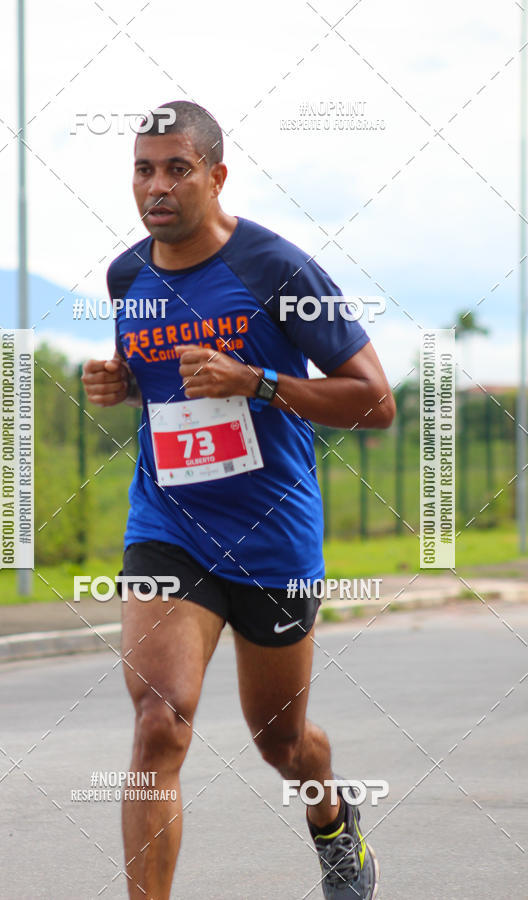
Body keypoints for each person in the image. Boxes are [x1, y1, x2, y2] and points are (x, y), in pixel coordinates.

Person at [82, 99, 394, 899]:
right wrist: (118, 384)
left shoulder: (277, 270)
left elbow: (375, 401)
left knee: (282, 743)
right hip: (170, 524)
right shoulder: (127, 275)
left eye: (177, 169)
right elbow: (162, 385)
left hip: (272, 536)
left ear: (216, 176)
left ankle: (333, 821)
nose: (157, 186)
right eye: (143, 169)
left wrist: (257, 381)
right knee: (160, 722)